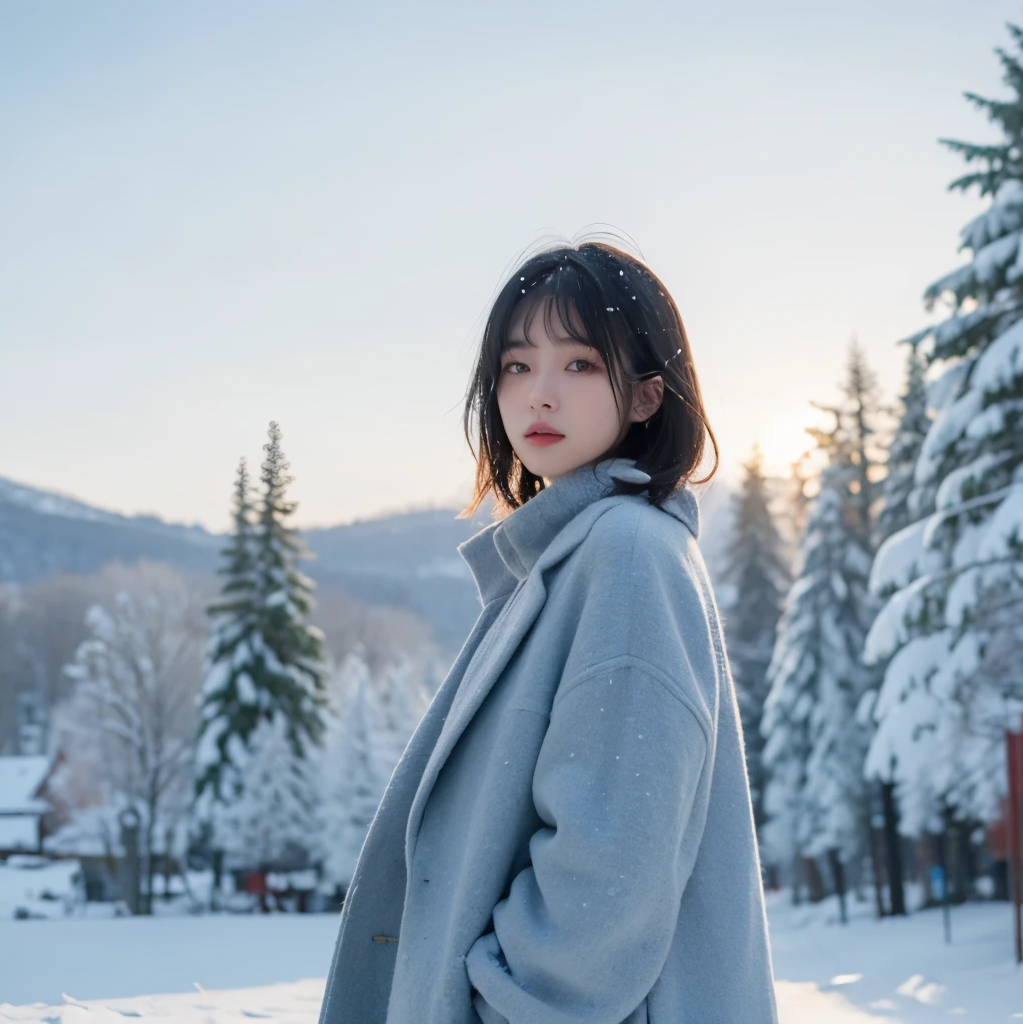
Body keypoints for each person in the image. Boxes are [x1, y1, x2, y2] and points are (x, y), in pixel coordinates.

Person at [316, 239, 778, 1024]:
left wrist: (509, 1006)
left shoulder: (627, 557)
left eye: (581, 365)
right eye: (517, 365)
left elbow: (608, 870)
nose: (539, 396)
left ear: (646, 396)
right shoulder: (572, 560)